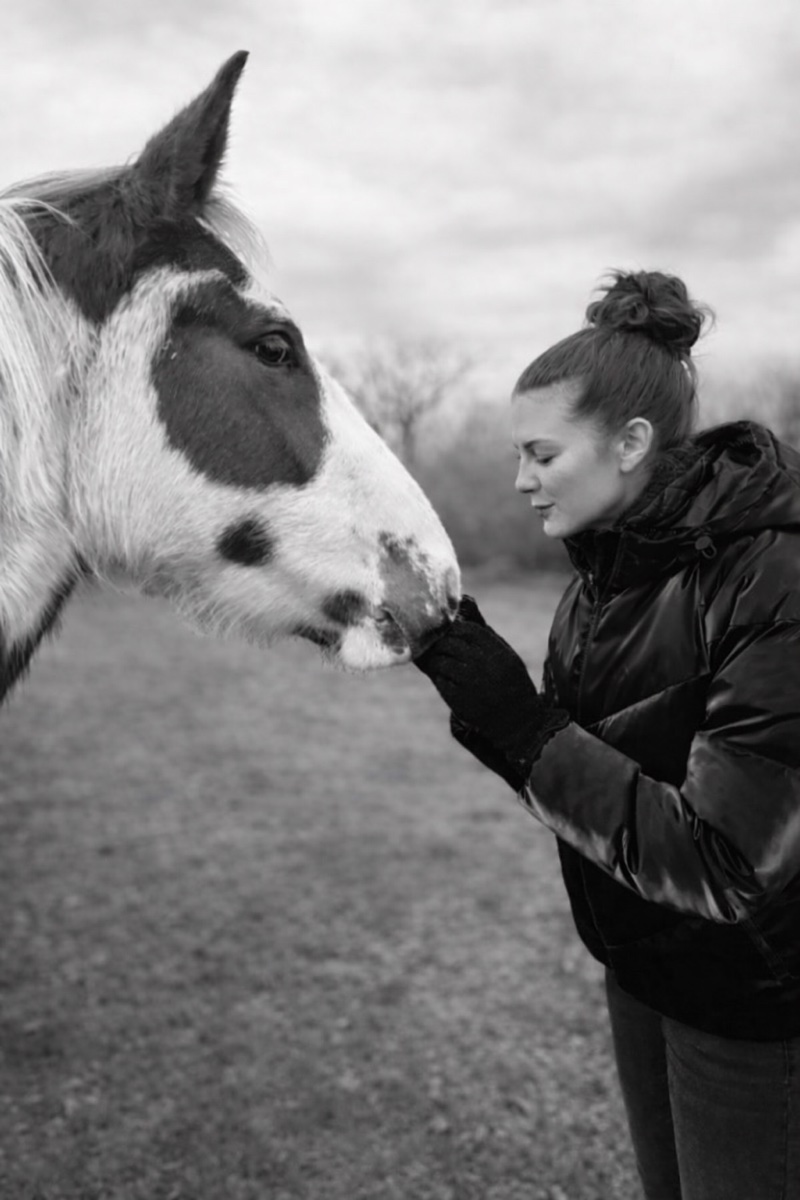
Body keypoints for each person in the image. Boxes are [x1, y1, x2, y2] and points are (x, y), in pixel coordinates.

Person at [414, 269, 800, 1200]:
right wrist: (491, 709)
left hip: (749, 1005)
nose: (519, 480)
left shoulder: (772, 578)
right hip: (638, 968)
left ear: (630, 443)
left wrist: (524, 726)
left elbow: (726, 862)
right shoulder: (600, 579)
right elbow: (587, 782)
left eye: (542, 453)